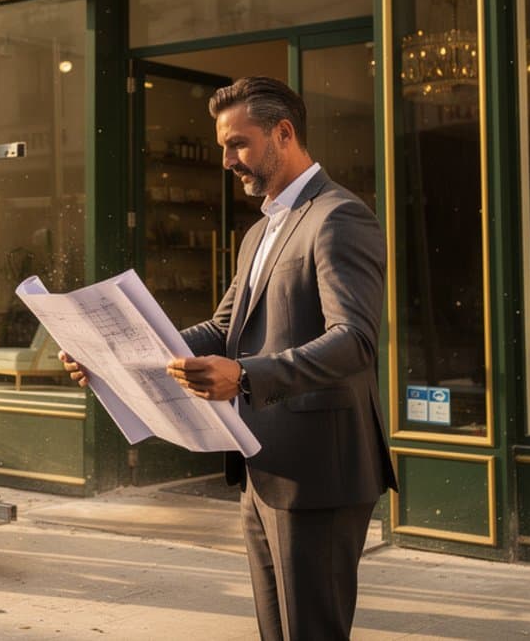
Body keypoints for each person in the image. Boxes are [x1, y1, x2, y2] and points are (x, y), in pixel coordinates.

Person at [63, 77, 395, 640]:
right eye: (223, 146)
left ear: (283, 133)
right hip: (262, 468)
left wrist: (245, 376)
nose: (226, 161)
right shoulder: (261, 230)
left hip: (320, 474)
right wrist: (117, 359)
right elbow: (223, 329)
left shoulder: (339, 216)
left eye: (237, 144)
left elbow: (355, 339)